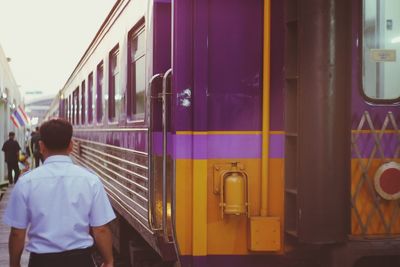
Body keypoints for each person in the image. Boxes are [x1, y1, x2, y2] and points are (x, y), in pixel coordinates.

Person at [3, 119, 116, 267]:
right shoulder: (90, 180)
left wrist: (14, 264)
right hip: (80, 260)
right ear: (71, 146)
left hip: (41, 262)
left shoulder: (26, 182)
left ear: (41, 146)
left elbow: (17, 232)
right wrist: (108, 261)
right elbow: (100, 229)